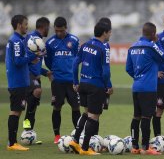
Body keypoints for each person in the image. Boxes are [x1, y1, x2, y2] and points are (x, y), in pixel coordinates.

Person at [69, 21, 113, 156]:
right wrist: (109, 86)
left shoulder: (85, 45)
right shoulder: (103, 48)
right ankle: (85, 148)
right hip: (96, 86)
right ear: (105, 33)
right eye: (109, 32)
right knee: (94, 116)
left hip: (83, 84)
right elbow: (106, 72)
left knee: (86, 113)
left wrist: (76, 82)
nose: (110, 34)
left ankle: (75, 140)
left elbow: (75, 64)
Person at [126, 22, 164, 155]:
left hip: (136, 87)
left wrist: (138, 77)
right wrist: (157, 42)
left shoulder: (132, 47)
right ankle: (145, 148)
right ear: (153, 34)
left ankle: (134, 147)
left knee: (136, 116)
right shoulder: (151, 46)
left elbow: (128, 69)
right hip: (148, 88)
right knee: (147, 117)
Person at [44, 17, 81, 144]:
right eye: (56, 31)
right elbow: (48, 61)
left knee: (76, 107)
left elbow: (77, 59)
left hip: (71, 80)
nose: (59, 33)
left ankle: (78, 134)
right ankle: (57, 135)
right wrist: (55, 70)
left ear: (66, 27)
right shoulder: (50, 43)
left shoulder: (74, 40)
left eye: (61, 30)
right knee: (57, 107)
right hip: (58, 81)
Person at [5, 14, 39, 151]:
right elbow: (18, 61)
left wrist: (32, 57)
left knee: (17, 111)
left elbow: (21, 59)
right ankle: (12, 143)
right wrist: (33, 56)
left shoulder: (18, 40)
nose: (27, 26)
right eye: (25, 24)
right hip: (17, 82)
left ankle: (12, 142)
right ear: (19, 25)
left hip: (19, 82)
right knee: (15, 112)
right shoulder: (16, 41)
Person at [23, 17, 52, 144]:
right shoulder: (30, 39)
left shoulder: (40, 41)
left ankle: (27, 130)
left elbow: (37, 65)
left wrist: (46, 72)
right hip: (28, 75)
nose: (49, 30)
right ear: (44, 27)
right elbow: (25, 59)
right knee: (37, 92)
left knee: (32, 107)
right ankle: (26, 130)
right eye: (48, 28)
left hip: (36, 76)